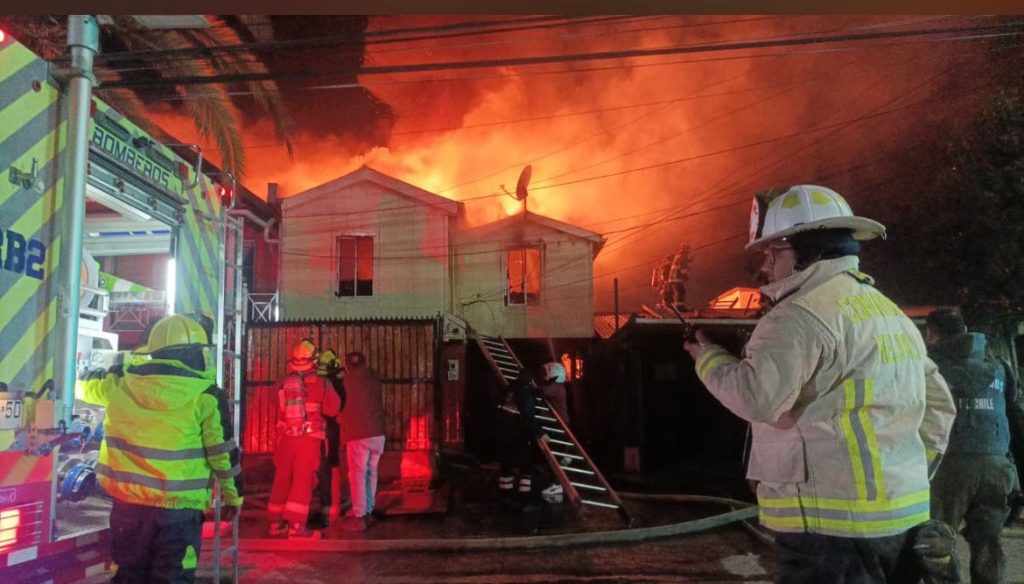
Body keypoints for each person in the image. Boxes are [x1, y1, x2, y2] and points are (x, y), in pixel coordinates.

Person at [682, 185, 956, 583]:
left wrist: (705, 356)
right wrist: (908, 476)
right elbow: (939, 408)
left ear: (799, 252)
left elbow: (756, 398)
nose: (766, 265)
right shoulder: (887, 312)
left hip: (832, 530)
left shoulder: (797, 316)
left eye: (771, 252)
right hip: (901, 520)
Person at [77, 314, 242, 584]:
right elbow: (223, 455)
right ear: (199, 352)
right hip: (178, 514)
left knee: (127, 577)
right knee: (172, 578)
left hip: (127, 509)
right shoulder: (207, 397)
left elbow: (80, 386)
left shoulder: (120, 385)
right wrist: (234, 497)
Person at [925, 307, 1024, 584]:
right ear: (965, 330)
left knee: (935, 541)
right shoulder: (999, 366)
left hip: (948, 468)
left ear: (931, 334)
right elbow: (1016, 420)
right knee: (989, 541)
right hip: (997, 466)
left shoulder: (927, 367)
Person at [267, 339, 341, 539]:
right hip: (309, 441)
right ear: (314, 359)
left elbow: (273, 398)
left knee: (282, 478)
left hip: (285, 440)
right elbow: (333, 408)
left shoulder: (283, 381)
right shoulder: (321, 382)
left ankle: (275, 524)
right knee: (302, 481)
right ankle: (297, 527)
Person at [338, 351, 386, 531]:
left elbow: (340, 407)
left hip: (358, 434)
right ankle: (368, 510)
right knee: (371, 472)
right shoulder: (374, 379)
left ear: (348, 366)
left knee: (357, 475)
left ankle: (359, 516)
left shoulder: (346, 382)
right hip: (378, 433)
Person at [495, 368, 549, 507]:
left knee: (506, 466)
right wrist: (540, 432)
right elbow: (527, 416)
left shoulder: (509, 389)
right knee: (526, 468)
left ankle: (504, 498)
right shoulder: (526, 393)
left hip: (502, 432)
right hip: (518, 435)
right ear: (531, 380)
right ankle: (524, 501)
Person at [312, 348, 346, 527]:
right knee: (331, 467)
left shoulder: (314, 380)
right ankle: (331, 508)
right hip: (330, 430)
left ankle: (321, 508)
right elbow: (338, 406)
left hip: (312, 431)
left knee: (319, 469)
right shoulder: (335, 383)